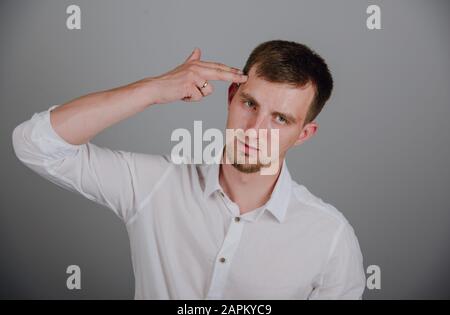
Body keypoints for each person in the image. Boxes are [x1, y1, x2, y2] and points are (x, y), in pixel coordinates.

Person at [12, 40, 366, 299]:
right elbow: (36, 144)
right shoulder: (157, 187)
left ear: (303, 134)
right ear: (231, 98)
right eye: (249, 103)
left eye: (280, 119)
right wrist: (153, 89)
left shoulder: (330, 239)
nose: (254, 130)